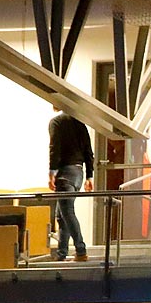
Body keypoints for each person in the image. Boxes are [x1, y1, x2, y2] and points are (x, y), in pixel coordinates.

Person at [48, 110, 94, 260]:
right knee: (61, 215)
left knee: (67, 212)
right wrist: (89, 176)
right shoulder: (80, 122)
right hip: (78, 173)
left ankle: (81, 250)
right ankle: (62, 253)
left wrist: (52, 172)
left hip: (64, 172)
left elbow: (54, 148)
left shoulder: (57, 122)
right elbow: (88, 150)